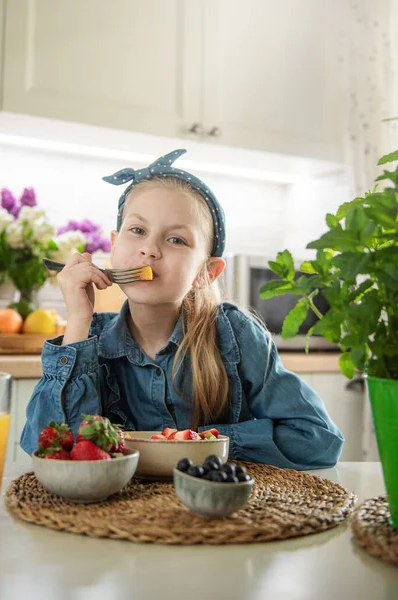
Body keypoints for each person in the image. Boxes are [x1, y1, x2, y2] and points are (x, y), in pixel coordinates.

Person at [20, 149, 344, 469]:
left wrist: (200, 443)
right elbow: (47, 449)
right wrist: (78, 319)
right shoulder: (88, 341)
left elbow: (319, 438)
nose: (149, 249)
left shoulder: (237, 336)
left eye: (176, 240)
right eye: (138, 231)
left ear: (206, 272)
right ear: (114, 246)